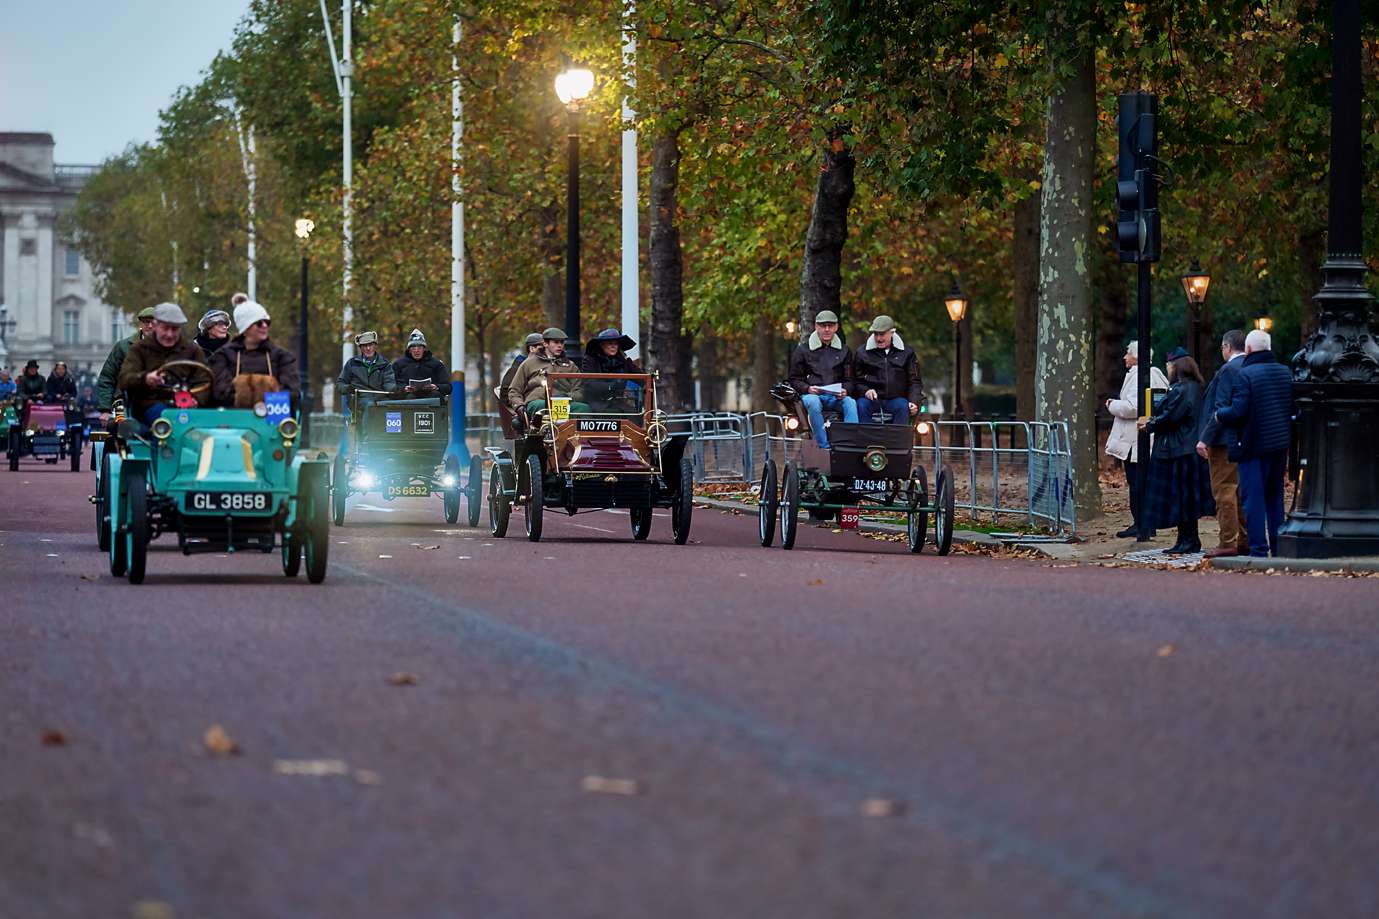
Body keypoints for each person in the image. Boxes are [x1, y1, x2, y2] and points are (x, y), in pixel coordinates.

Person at [1213, 329, 1293, 558]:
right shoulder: (1284, 372)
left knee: (1253, 501)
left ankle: (1259, 550)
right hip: (1279, 446)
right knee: (1275, 499)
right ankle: (1278, 548)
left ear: (1248, 349)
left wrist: (1220, 415)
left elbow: (1239, 411)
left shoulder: (1246, 375)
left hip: (1252, 446)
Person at [1138, 349, 1216, 554]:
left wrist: (1150, 424)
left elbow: (1169, 415)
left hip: (1178, 450)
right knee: (1188, 499)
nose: (1167, 368)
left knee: (1181, 498)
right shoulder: (1197, 388)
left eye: (1169, 365)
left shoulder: (1181, 390)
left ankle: (1187, 540)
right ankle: (1188, 539)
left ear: (1177, 366)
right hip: (1190, 449)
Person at [1105, 340, 1169, 539]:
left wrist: (1112, 405)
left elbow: (1134, 407)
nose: (1125, 357)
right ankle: (1147, 523)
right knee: (1144, 483)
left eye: (1128, 354)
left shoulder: (1139, 376)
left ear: (1136, 357)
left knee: (1137, 483)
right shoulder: (1157, 375)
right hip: (1145, 438)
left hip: (1135, 440)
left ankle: (1141, 524)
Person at [1195, 330, 1249, 558]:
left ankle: (1228, 541)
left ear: (1227, 347)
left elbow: (1220, 408)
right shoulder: (1248, 367)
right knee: (1239, 492)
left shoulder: (1228, 370)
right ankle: (1245, 539)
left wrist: (1205, 438)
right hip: (1242, 439)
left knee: (1224, 491)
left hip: (1222, 441)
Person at [117, 303, 208, 424]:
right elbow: (124, 379)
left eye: (174, 329)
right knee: (164, 421)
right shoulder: (139, 349)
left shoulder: (193, 350)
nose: (169, 334)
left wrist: (196, 399)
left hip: (187, 406)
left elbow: (205, 380)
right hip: (149, 406)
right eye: (165, 328)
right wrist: (146, 378)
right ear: (155, 326)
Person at [208, 298, 300, 408]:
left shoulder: (282, 356)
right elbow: (220, 392)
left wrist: (247, 392)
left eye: (267, 322)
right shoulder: (223, 356)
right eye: (259, 323)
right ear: (245, 327)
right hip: (234, 420)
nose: (265, 326)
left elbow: (292, 392)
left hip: (272, 419)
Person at [788, 309, 857, 449]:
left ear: (836, 327)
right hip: (812, 395)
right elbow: (794, 379)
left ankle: (849, 445)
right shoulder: (803, 350)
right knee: (813, 402)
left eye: (830, 326)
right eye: (823, 325)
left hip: (835, 397)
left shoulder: (845, 351)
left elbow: (850, 380)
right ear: (816, 327)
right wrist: (808, 389)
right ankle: (824, 445)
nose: (827, 329)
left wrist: (846, 390)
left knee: (850, 403)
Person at [851, 315, 922, 425]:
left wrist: (914, 401)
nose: (879, 338)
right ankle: (867, 441)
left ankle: (897, 441)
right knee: (861, 405)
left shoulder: (907, 353)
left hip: (896, 399)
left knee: (903, 405)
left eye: (882, 334)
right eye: (876, 334)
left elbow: (914, 381)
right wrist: (865, 390)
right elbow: (856, 380)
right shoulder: (862, 353)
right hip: (871, 400)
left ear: (892, 332)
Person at [506, 327, 586, 417]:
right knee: (541, 407)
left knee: (583, 408)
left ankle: (572, 430)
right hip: (538, 402)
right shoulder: (529, 363)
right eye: (556, 342)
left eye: (562, 342)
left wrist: (567, 397)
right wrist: (519, 405)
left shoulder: (570, 365)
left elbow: (579, 390)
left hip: (565, 403)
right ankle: (546, 429)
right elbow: (514, 390)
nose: (560, 345)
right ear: (545, 343)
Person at [97, 305, 157, 417]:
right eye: (146, 322)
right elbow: (107, 377)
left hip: (159, 404)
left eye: (153, 323)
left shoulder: (168, 347)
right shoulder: (123, 347)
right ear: (140, 324)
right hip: (125, 405)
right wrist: (105, 410)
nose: (150, 326)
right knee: (123, 431)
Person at [580, 328, 642, 411]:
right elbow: (589, 384)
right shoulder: (590, 360)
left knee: (635, 415)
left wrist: (649, 384)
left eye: (616, 344)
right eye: (610, 343)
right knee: (613, 412)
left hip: (619, 401)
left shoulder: (623, 360)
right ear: (602, 345)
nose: (613, 346)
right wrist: (612, 386)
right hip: (597, 402)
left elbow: (641, 378)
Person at [391, 329, 448, 397]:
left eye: (419, 347)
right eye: (413, 347)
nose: (416, 350)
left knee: (435, 396)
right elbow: (391, 385)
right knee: (409, 397)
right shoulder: (398, 364)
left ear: (424, 348)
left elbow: (448, 387)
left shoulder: (437, 364)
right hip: (408, 400)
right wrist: (404, 389)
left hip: (432, 398)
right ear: (409, 349)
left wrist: (436, 387)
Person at [498, 332, 544, 408]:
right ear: (532, 348)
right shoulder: (517, 368)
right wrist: (520, 406)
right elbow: (506, 395)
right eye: (541, 348)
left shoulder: (543, 366)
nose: (544, 351)